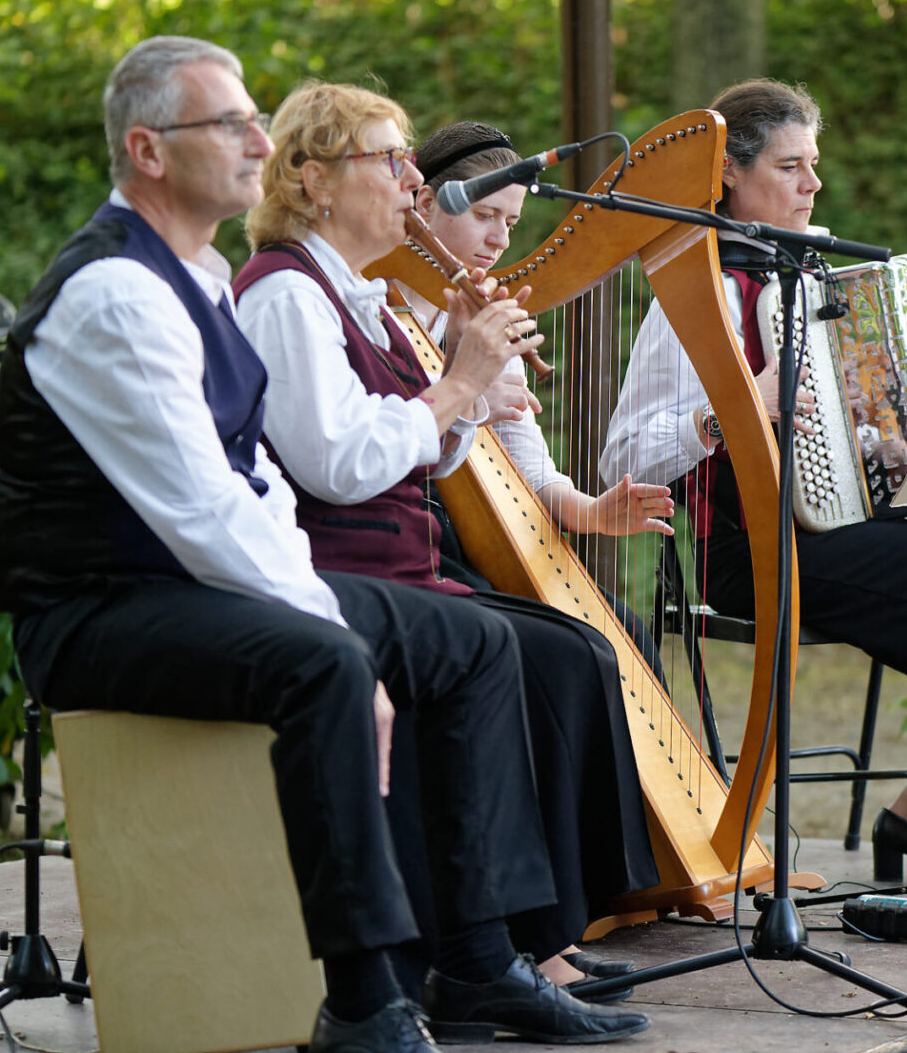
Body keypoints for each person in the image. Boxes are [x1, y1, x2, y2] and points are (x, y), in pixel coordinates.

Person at [0, 37, 645, 1053]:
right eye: (231, 124)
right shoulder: (115, 293)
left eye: (259, 118)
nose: (258, 137)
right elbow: (203, 511)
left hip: (178, 585)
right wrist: (326, 617)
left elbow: (249, 487)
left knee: (472, 644)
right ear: (149, 151)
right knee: (324, 660)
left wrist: (327, 597)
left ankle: (476, 961)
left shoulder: (197, 276)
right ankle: (365, 999)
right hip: (93, 610)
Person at [600, 79, 907, 881]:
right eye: (791, 167)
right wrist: (731, 410)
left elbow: (846, 429)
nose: (813, 185)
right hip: (756, 553)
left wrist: (895, 448)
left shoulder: (817, 281)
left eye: (814, 164)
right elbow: (620, 455)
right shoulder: (703, 293)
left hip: (851, 529)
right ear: (728, 172)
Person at [231, 82, 659, 998]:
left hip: (393, 563)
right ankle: (495, 950)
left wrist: (467, 368)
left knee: (576, 645)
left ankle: (531, 936)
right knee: (538, 650)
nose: (407, 182)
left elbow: (429, 450)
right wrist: (463, 382)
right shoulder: (284, 297)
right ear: (313, 181)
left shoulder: (361, 298)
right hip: (333, 570)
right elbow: (335, 467)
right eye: (388, 162)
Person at [396, 119, 674, 682]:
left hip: (471, 537)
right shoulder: (374, 306)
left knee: (626, 633)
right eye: (485, 216)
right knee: (570, 652)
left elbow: (534, 475)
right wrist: (466, 395)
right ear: (426, 202)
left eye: (512, 221)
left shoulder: (490, 315)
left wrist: (594, 513)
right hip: (406, 536)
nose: (501, 240)